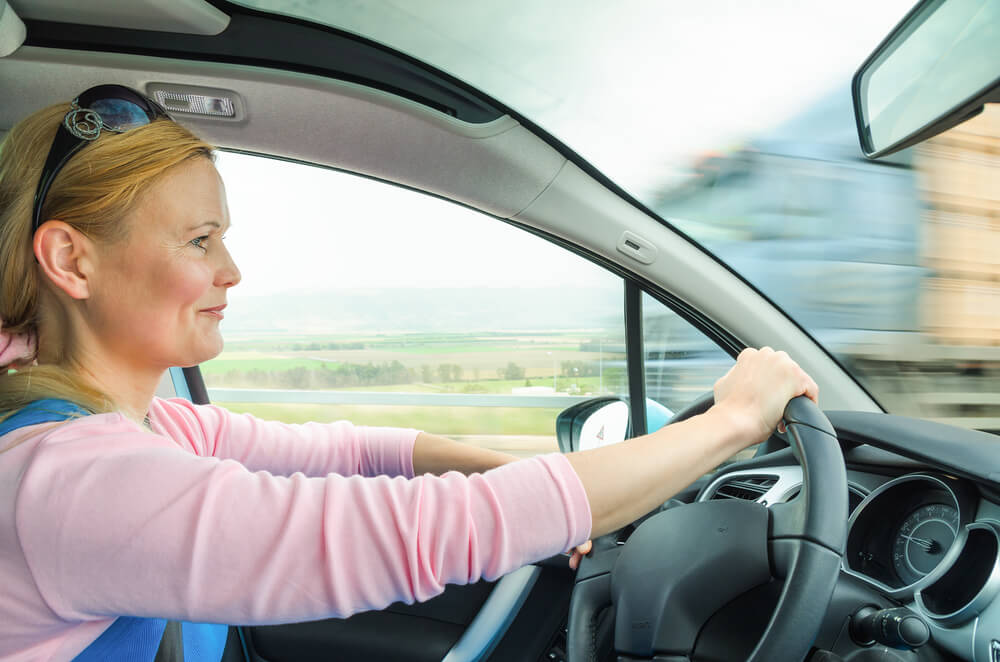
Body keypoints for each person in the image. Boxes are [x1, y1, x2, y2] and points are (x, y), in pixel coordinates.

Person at [0, 86, 818, 662]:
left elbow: (354, 452)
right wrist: (733, 422)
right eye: (200, 240)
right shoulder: (70, 480)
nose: (232, 271)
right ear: (71, 259)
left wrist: (527, 478)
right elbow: (424, 529)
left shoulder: (153, 425)